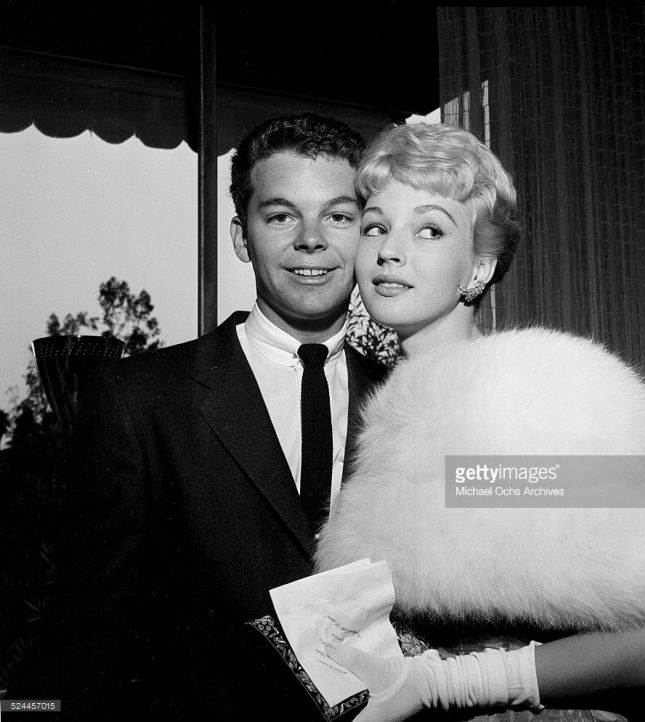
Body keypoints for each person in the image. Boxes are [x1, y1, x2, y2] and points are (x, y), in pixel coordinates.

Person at [315, 123, 645, 721]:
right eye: (376, 226)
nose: (389, 251)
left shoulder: (535, 396)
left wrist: (439, 683)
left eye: (430, 229)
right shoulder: (382, 413)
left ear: (479, 267)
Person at [8, 113, 387, 720]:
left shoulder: (409, 398)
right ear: (241, 237)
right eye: (281, 216)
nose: (311, 239)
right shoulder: (140, 399)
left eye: (338, 217)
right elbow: (84, 634)